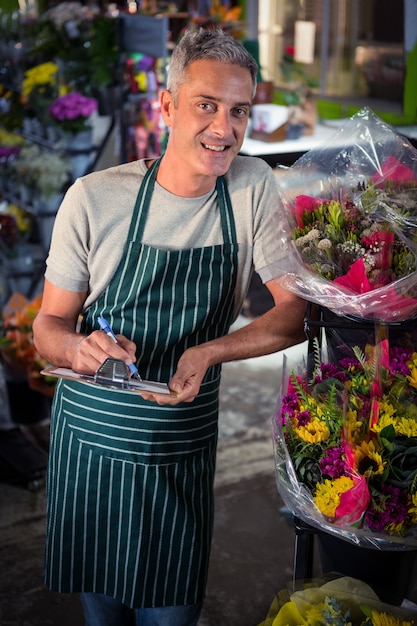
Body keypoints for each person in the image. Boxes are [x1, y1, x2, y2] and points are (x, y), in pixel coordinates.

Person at [33, 27, 307, 626]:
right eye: (206, 105)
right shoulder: (94, 198)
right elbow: (47, 326)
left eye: (239, 111)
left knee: (171, 614)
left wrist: (210, 351)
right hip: (95, 444)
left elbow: (295, 314)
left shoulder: (252, 188)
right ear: (167, 106)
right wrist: (82, 348)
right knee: (102, 612)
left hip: (180, 443)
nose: (223, 128)